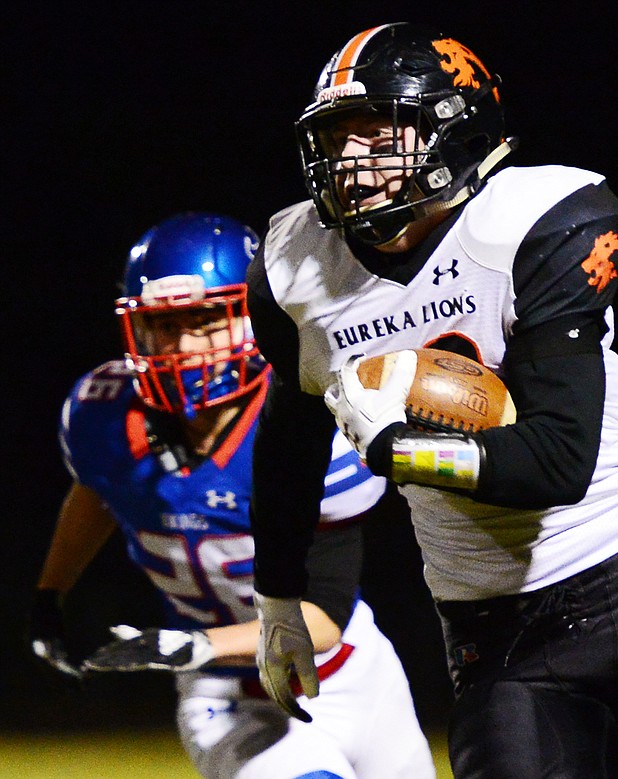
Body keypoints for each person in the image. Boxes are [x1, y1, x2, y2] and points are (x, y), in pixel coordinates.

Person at [244, 22, 618, 779]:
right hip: (495, 626)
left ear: (454, 130)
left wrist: (397, 449)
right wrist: (277, 596)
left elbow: (558, 461)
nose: (350, 160)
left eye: (378, 135)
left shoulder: (537, 222)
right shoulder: (297, 269)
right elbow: (290, 435)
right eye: (338, 138)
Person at [28, 212, 435, 779]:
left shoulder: (304, 420)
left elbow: (322, 618)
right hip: (228, 697)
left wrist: (192, 643)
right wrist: (50, 594)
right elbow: (96, 491)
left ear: (249, 317)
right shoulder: (103, 414)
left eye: (204, 320)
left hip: (346, 670)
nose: (183, 345)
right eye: (162, 325)